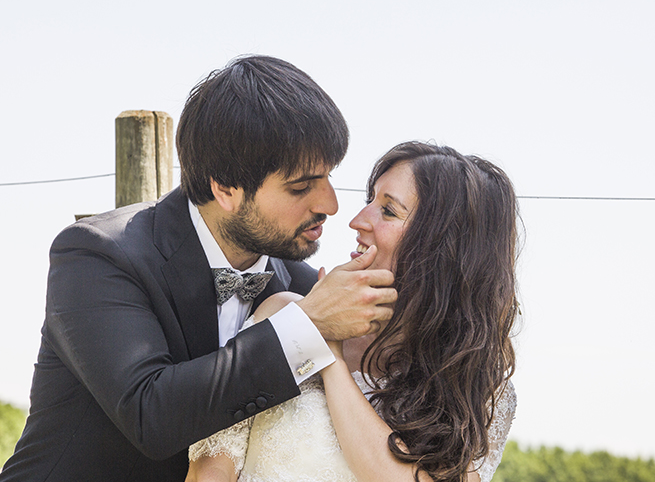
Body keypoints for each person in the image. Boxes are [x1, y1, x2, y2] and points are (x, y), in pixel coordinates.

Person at [0, 55, 396, 482]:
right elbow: (150, 415)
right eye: (301, 186)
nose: (330, 205)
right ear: (224, 188)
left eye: (329, 177)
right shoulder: (98, 256)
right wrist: (307, 325)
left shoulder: (301, 288)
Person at [186, 141, 520, 482]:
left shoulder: (479, 389)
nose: (357, 221)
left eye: (388, 211)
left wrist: (330, 359)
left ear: (443, 246)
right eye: (369, 201)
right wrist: (311, 328)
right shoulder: (283, 314)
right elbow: (209, 470)